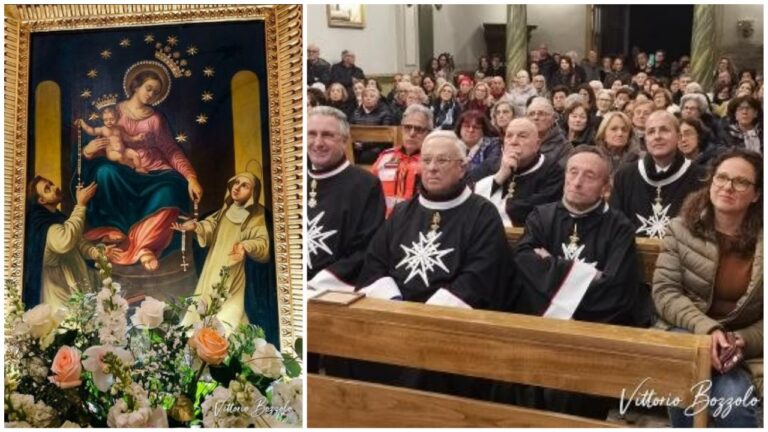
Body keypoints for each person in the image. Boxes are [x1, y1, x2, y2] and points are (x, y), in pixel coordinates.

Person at [510, 145, 650, 419]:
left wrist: (550, 264)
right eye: (572, 172)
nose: (577, 181)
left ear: (605, 188)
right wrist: (588, 275)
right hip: (540, 326)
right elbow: (523, 266)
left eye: (589, 175)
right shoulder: (541, 215)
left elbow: (615, 291)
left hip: (590, 333)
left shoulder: (619, 227)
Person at [653, 149, 763, 428]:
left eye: (741, 182)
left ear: (756, 195)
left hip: (744, 345)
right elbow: (665, 292)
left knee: (735, 405)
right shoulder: (681, 228)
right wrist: (709, 330)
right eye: (721, 178)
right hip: (686, 331)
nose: (727, 186)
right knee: (689, 375)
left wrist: (740, 340)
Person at [81, 65, 203, 271]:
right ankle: (113, 232)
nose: (151, 94)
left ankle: (145, 245)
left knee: (171, 190)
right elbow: (102, 143)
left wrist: (191, 177)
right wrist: (87, 151)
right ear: (136, 86)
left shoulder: (156, 119)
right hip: (123, 169)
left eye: (156, 92)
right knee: (104, 172)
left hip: (154, 172)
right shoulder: (114, 112)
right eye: (148, 88)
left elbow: (171, 149)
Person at [175, 172, 269, 334]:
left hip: (233, 266)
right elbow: (211, 225)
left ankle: (223, 341)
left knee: (228, 307)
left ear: (252, 193)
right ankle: (199, 338)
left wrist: (245, 246)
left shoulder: (257, 214)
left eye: (244, 185)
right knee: (205, 300)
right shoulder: (226, 209)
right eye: (236, 183)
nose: (237, 188)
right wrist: (196, 227)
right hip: (214, 263)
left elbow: (262, 242)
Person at [306, 106, 385, 294]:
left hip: (335, 290)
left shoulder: (366, 185)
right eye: (311, 134)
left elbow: (367, 248)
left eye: (327, 135)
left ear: (344, 141)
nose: (318, 142)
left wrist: (318, 284)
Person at [611, 111, 706, 238]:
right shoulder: (624, 176)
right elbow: (615, 228)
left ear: (678, 137)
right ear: (645, 140)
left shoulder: (700, 177)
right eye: (650, 132)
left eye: (664, 130)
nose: (657, 136)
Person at [23, 177, 101, 311]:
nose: (55, 187)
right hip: (59, 293)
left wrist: (97, 253)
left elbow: (79, 243)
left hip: (74, 282)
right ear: (42, 200)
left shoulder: (58, 218)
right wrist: (81, 205)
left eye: (51, 183)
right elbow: (65, 242)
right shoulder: (43, 224)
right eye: (48, 189)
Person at [474, 118, 564, 227]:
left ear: (537, 144)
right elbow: (469, 197)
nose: (514, 142)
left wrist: (495, 208)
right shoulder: (491, 164)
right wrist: (500, 176)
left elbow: (539, 210)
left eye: (522, 136)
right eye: (509, 136)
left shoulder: (553, 171)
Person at [371, 104, 432, 217]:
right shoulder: (385, 156)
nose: (412, 133)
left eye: (419, 129)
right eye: (408, 127)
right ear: (401, 129)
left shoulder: (432, 162)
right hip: (383, 223)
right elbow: (369, 191)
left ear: (428, 132)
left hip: (415, 224)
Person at [76, 106, 147, 173]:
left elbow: (128, 138)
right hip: (112, 153)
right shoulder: (103, 129)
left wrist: (137, 137)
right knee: (119, 156)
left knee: (135, 155)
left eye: (111, 119)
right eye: (106, 120)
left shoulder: (119, 129)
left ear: (116, 118)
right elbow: (91, 131)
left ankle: (139, 168)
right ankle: (131, 167)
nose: (109, 122)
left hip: (124, 151)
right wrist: (82, 123)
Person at [454, 110, 501, 182]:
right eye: (466, 126)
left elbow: (489, 168)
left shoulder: (493, 144)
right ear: (460, 128)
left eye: (476, 127)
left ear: (483, 130)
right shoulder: (452, 144)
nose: (470, 130)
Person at [526, 97, 573, 168]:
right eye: (531, 114)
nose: (535, 117)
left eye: (541, 114)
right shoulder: (521, 141)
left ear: (552, 118)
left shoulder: (564, 147)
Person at [593, 111, 640, 176]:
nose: (620, 133)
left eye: (624, 129)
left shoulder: (640, 159)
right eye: (614, 129)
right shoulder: (592, 156)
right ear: (603, 133)